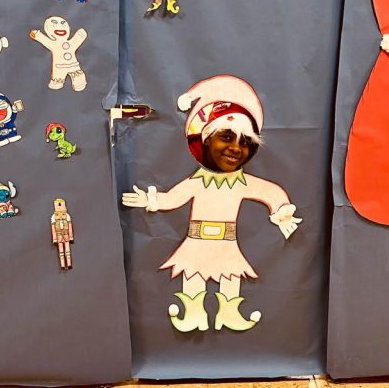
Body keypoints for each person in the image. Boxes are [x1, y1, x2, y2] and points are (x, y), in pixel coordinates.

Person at [123, 75, 302, 333]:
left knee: (230, 278)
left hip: (226, 243)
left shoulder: (243, 183)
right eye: (227, 137)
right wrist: (151, 200)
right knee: (193, 276)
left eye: (245, 142)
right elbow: (174, 198)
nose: (236, 148)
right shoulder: (196, 182)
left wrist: (282, 212)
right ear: (207, 138)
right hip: (196, 242)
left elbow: (269, 191)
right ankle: (192, 314)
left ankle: (229, 313)